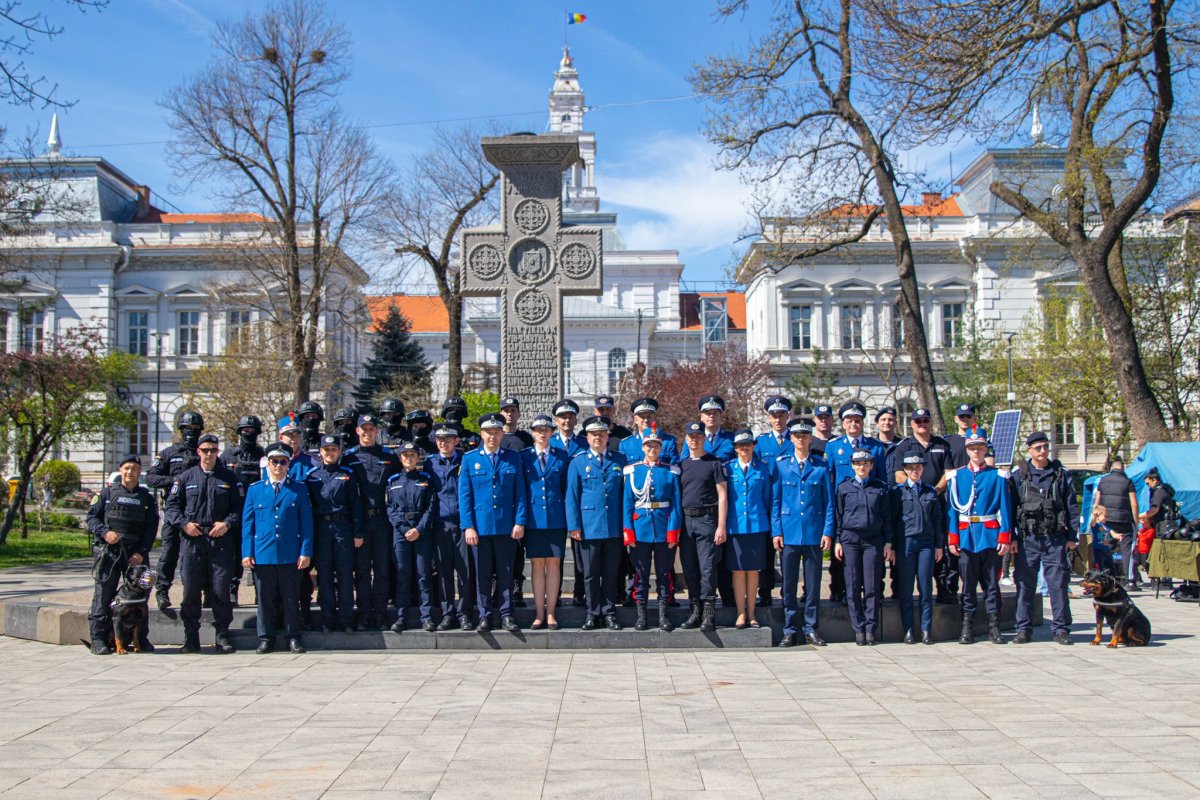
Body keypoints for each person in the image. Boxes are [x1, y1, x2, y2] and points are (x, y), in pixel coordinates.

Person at [163, 433, 244, 654]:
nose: (209, 454)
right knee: (190, 591)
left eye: (213, 450)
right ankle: (191, 637)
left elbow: (240, 508)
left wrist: (227, 524)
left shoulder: (229, 477)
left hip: (220, 541)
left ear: (218, 452)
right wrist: (184, 525)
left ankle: (222, 636)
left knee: (220, 591)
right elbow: (171, 507)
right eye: (205, 450)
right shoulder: (185, 478)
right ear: (198, 452)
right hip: (192, 541)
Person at [460, 413, 528, 633]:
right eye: (488, 432)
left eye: (497, 432)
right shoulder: (470, 459)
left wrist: (519, 521)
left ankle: (507, 615)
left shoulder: (513, 457)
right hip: (479, 528)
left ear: (502, 434)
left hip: (506, 527)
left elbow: (520, 493)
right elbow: (465, 496)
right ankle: (485, 615)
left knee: (506, 573)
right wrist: (468, 526)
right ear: (481, 434)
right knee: (483, 575)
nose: (493, 436)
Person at [242, 442, 313, 654]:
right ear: (268, 464)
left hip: (290, 554)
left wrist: (305, 551)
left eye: (283, 462)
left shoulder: (298, 489)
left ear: (288, 465)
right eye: (275, 462)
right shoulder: (255, 490)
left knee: (291, 598)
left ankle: (293, 636)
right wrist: (247, 552)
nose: (279, 466)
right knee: (265, 601)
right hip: (263, 554)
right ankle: (265, 637)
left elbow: (306, 523)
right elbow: (248, 524)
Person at [946, 427, 1014, 645]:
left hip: (989, 536)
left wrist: (1004, 538)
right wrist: (953, 538)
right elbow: (952, 511)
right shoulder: (957, 476)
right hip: (967, 537)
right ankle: (967, 626)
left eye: (980, 447)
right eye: (972, 448)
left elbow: (1005, 508)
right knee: (967, 586)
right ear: (967, 450)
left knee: (992, 585)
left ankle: (994, 627)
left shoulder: (998, 476)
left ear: (986, 449)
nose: (976, 452)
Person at [86, 454, 158, 655]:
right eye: (126, 468)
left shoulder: (146, 498)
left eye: (134, 469)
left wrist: (141, 553)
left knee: (142, 597)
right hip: (109, 554)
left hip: (136, 558)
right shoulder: (107, 494)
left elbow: (151, 529)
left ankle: (141, 639)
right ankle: (98, 639)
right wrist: (104, 533)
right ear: (121, 471)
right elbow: (91, 518)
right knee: (103, 597)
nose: (130, 472)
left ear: (139, 472)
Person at [1011, 431, 1078, 646]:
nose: (1042, 451)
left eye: (1045, 447)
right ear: (1029, 450)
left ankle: (1061, 629)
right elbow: (1011, 507)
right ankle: (1023, 628)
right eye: (1038, 448)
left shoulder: (1060, 473)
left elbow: (1071, 507)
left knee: (1058, 584)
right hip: (1027, 538)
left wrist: (1072, 536)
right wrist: (1011, 537)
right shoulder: (1018, 474)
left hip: (1054, 538)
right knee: (1024, 585)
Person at [771, 418, 834, 647]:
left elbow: (828, 502)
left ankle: (810, 627)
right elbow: (776, 501)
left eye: (805, 435)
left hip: (813, 532)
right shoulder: (781, 465)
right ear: (791, 438)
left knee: (813, 582)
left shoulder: (821, 466)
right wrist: (776, 531)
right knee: (788, 584)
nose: (800, 439)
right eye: (796, 435)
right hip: (788, 533)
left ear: (810, 438)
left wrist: (827, 532)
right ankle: (789, 629)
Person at [566, 415, 628, 630]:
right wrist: (574, 526)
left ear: (607, 436)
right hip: (588, 527)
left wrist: (626, 525)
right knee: (590, 574)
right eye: (593, 434)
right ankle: (592, 613)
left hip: (613, 526)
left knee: (611, 573)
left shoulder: (619, 460)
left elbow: (625, 495)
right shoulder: (578, 462)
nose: (598, 438)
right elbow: (572, 496)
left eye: (601, 434)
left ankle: (609, 612)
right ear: (587, 437)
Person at [887, 408, 953, 603]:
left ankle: (943, 590)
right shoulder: (904, 445)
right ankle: (899, 593)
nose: (922, 424)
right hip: (909, 505)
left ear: (930, 422)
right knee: (903, 554)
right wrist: (917, 490)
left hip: (936, 502)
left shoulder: (942, 444)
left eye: (925, 420)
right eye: (918, 421)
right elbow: (898, 474)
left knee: (939, 549)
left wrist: (932, 492)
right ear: (912, 423)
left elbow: (948, 472)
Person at [823, 401, 888, 604]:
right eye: (849, 420)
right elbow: (830, 478)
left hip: (870, 508)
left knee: (873, 557)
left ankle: (875, 592)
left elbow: (883, 480)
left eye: (857, 420)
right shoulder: (833, 447)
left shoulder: (875, 447)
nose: (853, 424)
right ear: (843, 424)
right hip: (844, 508)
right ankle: (840, 590)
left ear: (863, 423)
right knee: (841, 553)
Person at [343, 414, 401, 630]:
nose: (367, 433)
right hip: (360, 520)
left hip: (382, 520)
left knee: (383, 570)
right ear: (357, 431)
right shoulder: (348, 457)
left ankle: (381, 614)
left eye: (371, 429)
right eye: (363, 429)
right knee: (362, 570)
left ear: (377, 431)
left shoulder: (389, 456)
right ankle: (364, 615)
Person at [835, 449, 897, 645]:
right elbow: (838, 516)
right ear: (852, 465)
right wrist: (837, 540)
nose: (861, 467)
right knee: (852, 586)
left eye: (865, 463)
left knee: (871, 586)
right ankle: (858, 628)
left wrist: (888, 542)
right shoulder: (844, 487)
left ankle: (871, 628)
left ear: (871, 465)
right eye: (858, 463)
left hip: (873, 541)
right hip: (850, 540)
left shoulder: (879, 488)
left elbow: (887, 518)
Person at [622, 429, 681, 631]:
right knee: (641, 573)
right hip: (640, 529)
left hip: (664, 527)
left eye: (656, 445)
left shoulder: (670, 471)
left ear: (660, 447)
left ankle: (663, 615)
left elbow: (675, 505)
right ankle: (642, 616)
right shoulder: (632, 471)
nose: (652, 449)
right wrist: (628, 531)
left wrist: (673, 531)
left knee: (664, 573)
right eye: (649, 446)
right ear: (643, 448)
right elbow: (628, 504)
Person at [145, 410, 203, 612]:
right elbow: (150, 478)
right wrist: (174, 481)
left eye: (195, 429)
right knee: (169, 553)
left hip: (196, 513)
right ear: (181, 430)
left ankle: (196, 594)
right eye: (188, 428)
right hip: (173, 511)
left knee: (194, 558)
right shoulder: (169, 453)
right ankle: (162, 591)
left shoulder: (203, 453)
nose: (191, 432)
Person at [304, 434, 363, 634]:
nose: (330, 453)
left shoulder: (347, 474)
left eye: (334, 450)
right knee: (325, 575)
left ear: (339, 452)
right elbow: (309, 508)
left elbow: (355, 504)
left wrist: (357, 532)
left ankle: (347, 618)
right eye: (326, 450)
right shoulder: (312, 476)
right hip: (321, 529)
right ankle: (328, 618)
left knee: (345, 574)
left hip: (343, 527)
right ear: (320, 452)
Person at [677, 420, 729, 631]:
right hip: (686, 522)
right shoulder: (682, 465)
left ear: (704, 439)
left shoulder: (713, 462)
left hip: (707, 520)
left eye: (698, 436)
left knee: (707, 568)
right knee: (690, 568)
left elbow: (723, 494)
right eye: (691, 436)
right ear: (686, 439)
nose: (694, 439)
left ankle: (709, 612)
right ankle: (694, 609)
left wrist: (721, 525)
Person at [520, 414, 569, 630]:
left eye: (547, 430)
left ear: (552, 432)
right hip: (533, 519)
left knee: (554, 564)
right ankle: (539, 613)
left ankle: (551, 613)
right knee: (537, 565)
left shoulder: (561, 456)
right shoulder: (524, 456)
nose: (542, 433)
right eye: (538, 430)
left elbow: (567, 489)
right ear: (532, 432)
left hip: (556, 518)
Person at [386, 441, 438, 633]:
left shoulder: (425, 479)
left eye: (412, 455)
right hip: (401, 533)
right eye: (405, 455)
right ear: (400, 459)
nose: (409, 458)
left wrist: (419, 529)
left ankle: (426, 617)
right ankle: (401, 617)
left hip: (421, 531)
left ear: (418, 458)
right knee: (402, 575)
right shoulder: (392, 482)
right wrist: (403, 528)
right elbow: (390, 508)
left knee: (423, 575)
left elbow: (431, 507)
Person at [425, 423, 473, 630]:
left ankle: (465, 614)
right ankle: (447, 613)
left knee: (465, 572)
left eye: (448, 439)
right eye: (440, 439)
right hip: (440, 524)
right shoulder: (429, 464)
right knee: (443, 572)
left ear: (456, 441)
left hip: (463, 524)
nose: (443, 443)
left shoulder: (467, 461)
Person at [893, 454, 944, 645]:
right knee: (906, 588)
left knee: (925, 587)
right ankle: (908, 630)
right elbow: (893, 520)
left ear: (923, 469)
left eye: (918, 467)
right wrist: (890, 544)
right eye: (910, 468)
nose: (914, 471)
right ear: (905, 470)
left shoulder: (930, 492)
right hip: (905, 542)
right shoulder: (897, 492)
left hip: (926, 543)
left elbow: (937, 520)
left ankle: (925, 630)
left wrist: (939, 545)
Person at [724, 429, 771, 629]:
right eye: (740, 445)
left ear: (753, 446)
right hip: (735, 526)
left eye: (748, 444)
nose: (744, 448)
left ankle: (752, 613)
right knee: (737, 570)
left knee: (753, 571)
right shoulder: (727, 469)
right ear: (735, 448)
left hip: (757, 525)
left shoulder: (763, 469)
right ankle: (740, 612)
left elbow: (768, 498)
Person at [220, 414, 265, 605]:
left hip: (259, 511)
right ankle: (232, 590)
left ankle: (259, 591)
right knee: (234, 553)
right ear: (239, 432)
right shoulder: (228, 456)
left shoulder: (263, 455)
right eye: (245, 430)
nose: (249, 434)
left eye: (252, 431)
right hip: (236, 511)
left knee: (258, 552)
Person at [755, 395, 793, 607]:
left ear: (788, 416)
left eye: (781, 415)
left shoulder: (794, 440)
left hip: (790, 502)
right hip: (767, 502)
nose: (778, 419)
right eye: (774, 416)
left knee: (789, 550)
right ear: (768, 418)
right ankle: (766, 591)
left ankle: (789, 592)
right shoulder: (761, 442)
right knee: (767, 551)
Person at [550, 398, 587, 607]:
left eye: (570, 416)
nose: (567, 420)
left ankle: (579, 592)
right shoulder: (549, 442)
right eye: (563, 417)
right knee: (556, 555)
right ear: (556, 421)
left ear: (576, 419)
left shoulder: (583, 443)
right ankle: (554, 594)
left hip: (579, 505)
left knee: (580, 553)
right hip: (555, 504)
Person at [1092, 457, 1140, 589]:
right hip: (1124, 520)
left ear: (1112, 469)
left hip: (1106, 519)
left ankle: (1106, 578)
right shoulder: (1127, 482)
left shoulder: (1102, 480)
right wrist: (1136, 523)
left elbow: (1097, 500)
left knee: (1107, 549)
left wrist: (1095, 515)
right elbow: (1134, 504)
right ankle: (1129, 580)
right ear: (1122, 468)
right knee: (1127, 550)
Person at [620, 398, 680, 464]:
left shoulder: (668, 441)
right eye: (642, 417)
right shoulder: (626, 444)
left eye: (648, 416)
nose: (645, 420)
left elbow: (675, 469)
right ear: (635, 419)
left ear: (654, 418)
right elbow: (622, 470)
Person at [682, 395, 735, 461]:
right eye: (708, 413)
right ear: (701, 416)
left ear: (721, 416)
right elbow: (684, 462)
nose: (711, 416)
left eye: (715, 413)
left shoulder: (732, 438)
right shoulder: (692, 438)